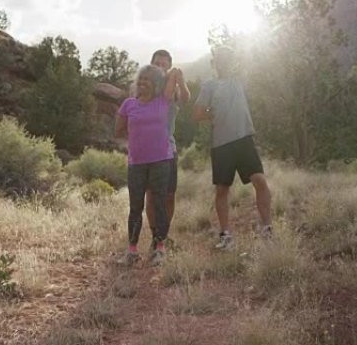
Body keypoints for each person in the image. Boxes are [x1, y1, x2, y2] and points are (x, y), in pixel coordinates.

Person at [192, 46, 272, 250]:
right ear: (214, 63)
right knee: (222, 190)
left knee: (260, 182)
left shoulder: (240, 80)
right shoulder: (209, 86)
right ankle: (226, 235)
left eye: (227, 58)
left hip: (244, 139)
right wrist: (216, 113)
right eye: (219, 59)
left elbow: (258, 68)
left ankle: (267, 229)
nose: (223, 62)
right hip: (221, 144)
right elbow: (198, 114)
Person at [115, 65, 177, 266]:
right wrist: (137, 139)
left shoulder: (163, 101)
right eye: (140, 79)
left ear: (156, 84)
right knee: (135, 207)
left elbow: (174, 81)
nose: (142, 83)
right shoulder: (128, 104)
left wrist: (174, 73)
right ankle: (132, 250)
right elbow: (118, 130)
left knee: (159, 204)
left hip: (161, 160)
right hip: (137, 162)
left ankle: (159, 248)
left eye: (147, 80)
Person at [144, 50, 190, 254]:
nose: (161, 67)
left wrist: (181, 80)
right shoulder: (146, 86)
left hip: (169, 147)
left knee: (169, 195)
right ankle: (156, 236)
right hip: (148, 148)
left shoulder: (174, 85)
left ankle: (163, 235)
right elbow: (164, 97)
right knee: (152, 195)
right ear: (152, 65)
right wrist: (172, 78)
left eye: (165, 64)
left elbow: (185, 99)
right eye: (157, 63)